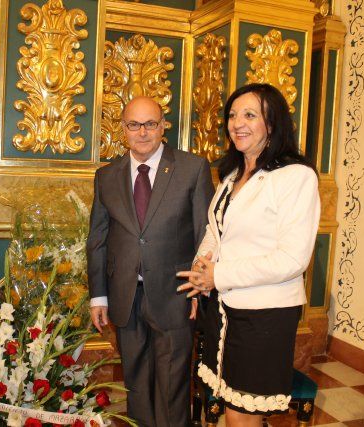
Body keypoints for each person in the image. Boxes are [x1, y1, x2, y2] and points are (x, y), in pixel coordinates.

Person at [177, 83, 320, 426]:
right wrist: (201, 266)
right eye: (232, 115)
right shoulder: (231, 176)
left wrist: (218, 275)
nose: (237, 123)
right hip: (223, 310)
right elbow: (216, 231)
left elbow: (292, 259)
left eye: (250, 115)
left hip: (264, 316)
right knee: (230, 408)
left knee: (242, 417)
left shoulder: (296, 177)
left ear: (272, 124)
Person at [87, 96, 213, 427]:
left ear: (163, 126)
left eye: (150, 124)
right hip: (125, 296)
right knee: (136, 383)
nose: (142, 132)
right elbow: (98, 239)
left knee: (172, 387)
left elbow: (206, 234)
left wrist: (199, 287)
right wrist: (98, 296)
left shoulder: (192, 168)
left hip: (176, 296)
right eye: (134, 124)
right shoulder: (106, 176)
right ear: (123, 128)